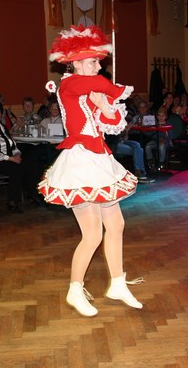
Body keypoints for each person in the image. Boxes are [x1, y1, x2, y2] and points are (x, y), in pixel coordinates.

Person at [39, 24, 142, 317]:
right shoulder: (70, 85)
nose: (98, 66)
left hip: (99, 159)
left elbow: (112, 123)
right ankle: (75, 290)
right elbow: (102, 88)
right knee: (93, 234)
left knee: (116, 225)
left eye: (98, 61)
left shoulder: (91, 87)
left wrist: (104, 106)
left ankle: (117, 283)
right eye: (93, 61)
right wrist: (113, 91)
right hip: (80, 163)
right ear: (76, 63)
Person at [0, 101, 43, 213]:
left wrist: (16, 154)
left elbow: (12, 145)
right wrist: (10, 158)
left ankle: (33, 194)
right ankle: (13, 201)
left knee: (35, 165)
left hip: (9, 159)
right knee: (16, 169)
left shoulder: (2, 127)